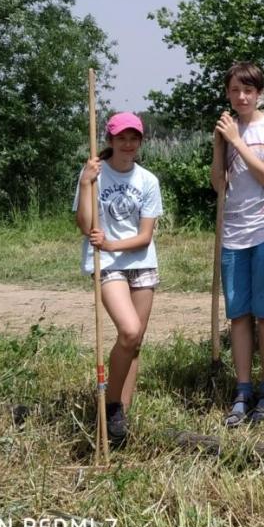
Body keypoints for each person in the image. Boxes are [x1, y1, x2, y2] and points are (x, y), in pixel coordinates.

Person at [73, 111, 164, 448]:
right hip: (107, 264)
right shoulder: (94, 175)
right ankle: (111, 404)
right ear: (110, 140)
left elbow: (144, 236)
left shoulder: (148, 181)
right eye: (121, 137)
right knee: (129, 331)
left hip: (141, 262)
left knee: (135, 343)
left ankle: (119, 421)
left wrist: (112, 242)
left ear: (140, 141)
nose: (128, 144)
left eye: (134, 137)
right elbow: (84, 224)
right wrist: (85, 183)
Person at [212, 62, 264, 427]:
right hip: (234, 232)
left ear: (259, 92)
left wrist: (236, 142)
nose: (241, 97)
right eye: (234, 90)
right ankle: (242, 388)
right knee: (238, 314)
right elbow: (219, 186)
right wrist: (219, 146)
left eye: (248, 90)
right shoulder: (227, 131)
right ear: (228, 93)